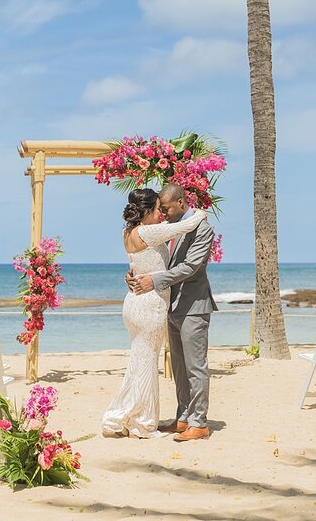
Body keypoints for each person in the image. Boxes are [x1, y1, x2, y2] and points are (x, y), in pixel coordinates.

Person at [102, 188, 207, 438]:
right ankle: (142, 422)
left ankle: (128, 416)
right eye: (158, 209)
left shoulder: (127, 232)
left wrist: (133, 275)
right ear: (147, 211)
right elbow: (186, 225)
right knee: (147, 363)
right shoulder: (148, 231)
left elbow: (138, 263)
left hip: (133, 303)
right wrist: (201, 212)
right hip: (149, 304)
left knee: (139, 361)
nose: (161, 214)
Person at [127, 184, 217, 442]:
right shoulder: (171, 230)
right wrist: (136, 277)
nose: (163, 213)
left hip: (194, 306)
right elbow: (157, 262)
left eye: (165, 208)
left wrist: (153, 282)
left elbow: (190, 267)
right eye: (160, 209)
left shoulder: (202, 228)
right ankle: (183, 418)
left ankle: (199, 423)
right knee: (178, 366)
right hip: (171, 306)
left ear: (180, 202)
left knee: (195, 366)